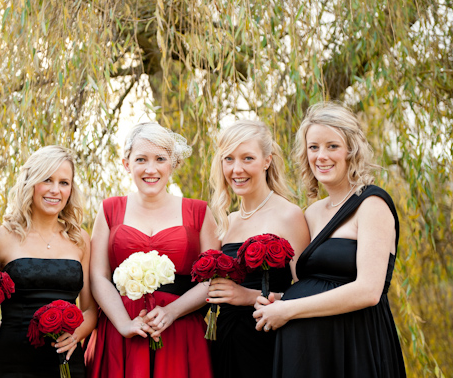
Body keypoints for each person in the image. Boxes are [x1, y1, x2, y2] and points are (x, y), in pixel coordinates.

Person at [253, 101, 406, 377]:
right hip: (307, 352)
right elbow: (311, 283)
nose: (321, 156)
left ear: (351, 150)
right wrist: (281, 299)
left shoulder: (372, 204)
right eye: (314, 147)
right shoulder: (311, 213)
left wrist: (290, 309)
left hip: (355, 344)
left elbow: (368, 291)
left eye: (332, 146)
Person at [85, 122, 219, 378]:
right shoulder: (109, 209)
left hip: (180, 332)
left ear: (173, 163)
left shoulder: (199, 212)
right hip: (121, 333)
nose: (151, 169)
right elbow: (98, 276)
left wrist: (172, 311)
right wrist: (124, 324)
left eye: (160, 159)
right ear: (127, 164)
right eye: (141, 159)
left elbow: (212, 280)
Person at [207, 120, 310, 378]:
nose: (236, 169)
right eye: (228, 159)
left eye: (247, 158)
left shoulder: (289, 215)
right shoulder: (226, 222)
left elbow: (307, 293)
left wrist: (248, 296)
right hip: (221, 343)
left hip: (265, 343)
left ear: (267, 161)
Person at [0, 145, 96, 378]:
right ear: (30, 182)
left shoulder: (80, 239)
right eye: (47, 180)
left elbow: (89, 309)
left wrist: (77, 334)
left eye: (64, 182)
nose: (55, 190)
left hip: (66, 363)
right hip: (11, 363)